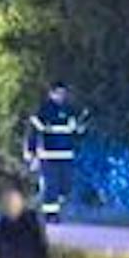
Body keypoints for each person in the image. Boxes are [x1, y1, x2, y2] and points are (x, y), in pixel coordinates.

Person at [25, 82, 88, 221]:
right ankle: (50, 215)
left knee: (66, 185)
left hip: (66, 155)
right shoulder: (43, 110)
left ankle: (48, 205)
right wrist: (31, 152)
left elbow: (76, 131)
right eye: (58, 93)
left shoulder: (70, 110)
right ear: (51, 94)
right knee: (52, 185)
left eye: (63, 93)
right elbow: (33, 132)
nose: (61, 96)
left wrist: (81, 127)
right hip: (48, 155)